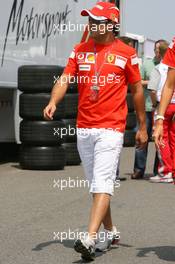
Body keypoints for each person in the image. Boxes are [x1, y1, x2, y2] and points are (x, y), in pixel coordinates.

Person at [43, 2, 148, 261]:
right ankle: (110, 231)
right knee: (96, 186)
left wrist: (143, 126)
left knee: (101, 182)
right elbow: (65, 79)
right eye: (89, 20)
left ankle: (89, 238)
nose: (92, 24)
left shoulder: (126, 53)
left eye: (97, 20)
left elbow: (136, 91)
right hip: (85, 128)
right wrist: (53, 100)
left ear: (111, 24)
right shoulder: (79, 50)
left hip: (111, 128)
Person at [131, 40, 164, 180]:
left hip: (160, 109)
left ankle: (159, 170)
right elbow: (137, 81)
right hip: (147, 107)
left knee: (159, 141)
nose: (157, 51)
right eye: (155, 49)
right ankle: (138, 170)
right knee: (142, 140)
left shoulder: (168, 66)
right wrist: (152, 83)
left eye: (159, 49)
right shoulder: (147, 64)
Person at [147, 40, 174, 183]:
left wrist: (156, 105)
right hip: (173, 105)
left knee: (161, 138)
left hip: (163, 106)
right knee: (173, 139)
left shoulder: (158, 68)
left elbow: (152, 89)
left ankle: (166, 171)